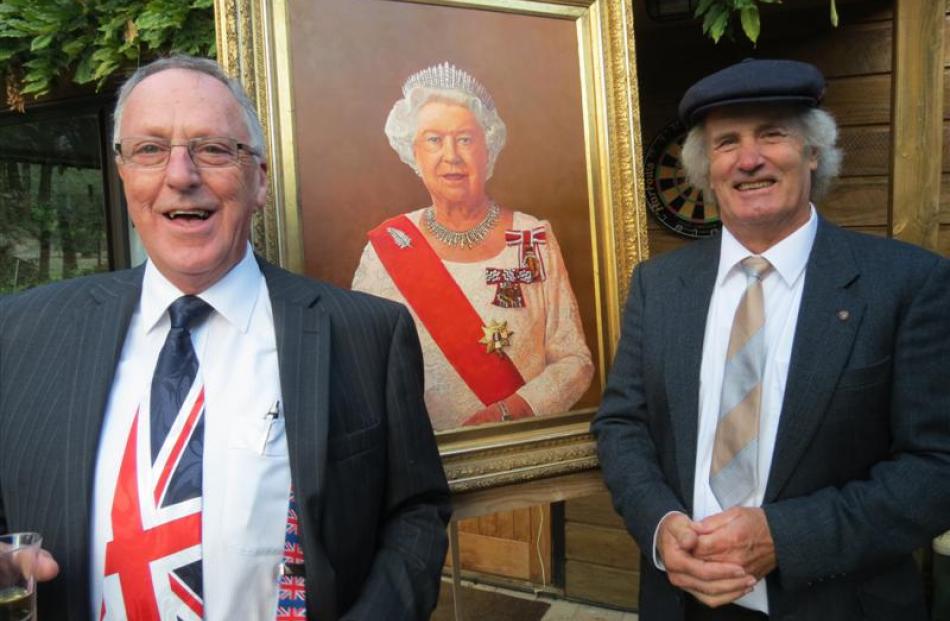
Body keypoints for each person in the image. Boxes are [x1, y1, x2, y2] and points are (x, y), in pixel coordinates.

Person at [0, 55, 451, 621]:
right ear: (124, 176)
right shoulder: (19, 333)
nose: (181, 175)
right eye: (149, 150)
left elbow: (416, 511)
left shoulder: (366, 333)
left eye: (213, 149)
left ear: (259, 179)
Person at [592, 58, 950, 621]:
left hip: (837, 604)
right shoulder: (659, 285)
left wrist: (784, 536)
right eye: (726, 142)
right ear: (706, 169)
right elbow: (622, 425)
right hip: (681, 602)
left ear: (813, 152)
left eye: (772, 134)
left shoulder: (907, 284)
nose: (749, 158)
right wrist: (659, 526)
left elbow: (936, 467)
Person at [352, 62, 594, 431]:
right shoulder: (388, 248)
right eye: (434, 140)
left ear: (488, 150)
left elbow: (575, 361)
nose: (451, 155)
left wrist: (506, 412)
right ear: (413, 154)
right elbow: (360, 369)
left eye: (465, 139)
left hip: (519, 452)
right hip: (422, 463)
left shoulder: (532, 237)